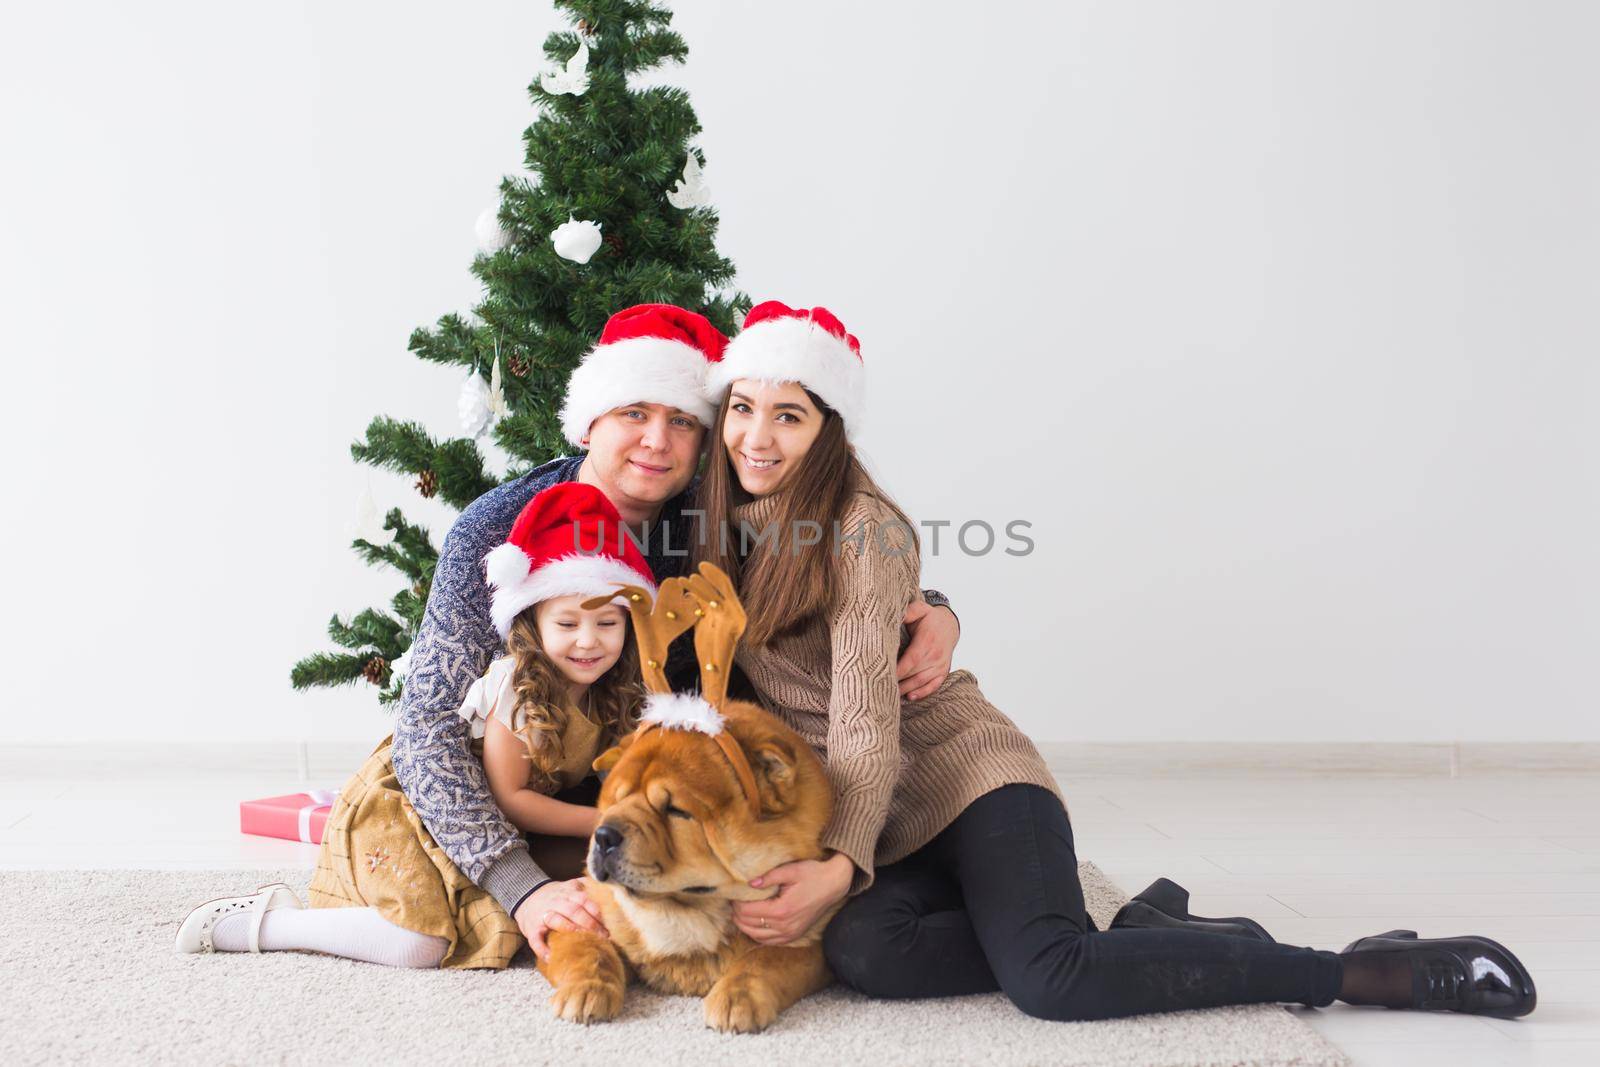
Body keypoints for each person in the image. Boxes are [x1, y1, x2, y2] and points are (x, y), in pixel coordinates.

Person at [693, 300, 1536, 1021]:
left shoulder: (861, 527)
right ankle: (1140, 930)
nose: (756, 437)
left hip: (970, 780)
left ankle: (1357, 970)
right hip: (891, 826)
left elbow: (866, 725)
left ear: (829, 428)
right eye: (743, 408)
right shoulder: (726, 526)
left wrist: (838, 863)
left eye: (789, 414)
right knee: (868, 952)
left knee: (1050, 980)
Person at [386, 303, 962, 961]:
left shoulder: (718, 512)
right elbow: (425, 724)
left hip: (678, 795)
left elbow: (845, 557)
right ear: (590, 421)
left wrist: (937, 610)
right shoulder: (496, 532)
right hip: (531, 789)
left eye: (682, 420)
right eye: (635, 412)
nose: (658, 440)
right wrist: (521, 888)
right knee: (439, 927)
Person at [176, 483, 654, 967]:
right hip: (421, 812)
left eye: (607, 625)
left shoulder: (615, 690)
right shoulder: (517, 687)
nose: (588, 641)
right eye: (567, 625)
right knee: (423, 943)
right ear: (533, 622)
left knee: (572, 896)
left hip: (507, 829)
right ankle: (267, 923)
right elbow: (512, 798)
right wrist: (603, 822)